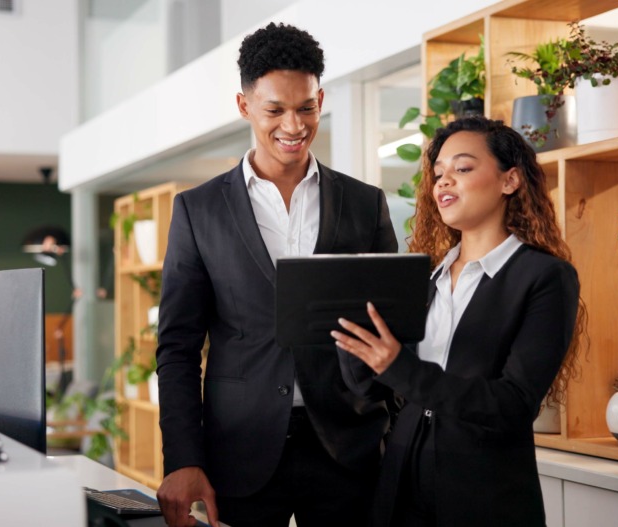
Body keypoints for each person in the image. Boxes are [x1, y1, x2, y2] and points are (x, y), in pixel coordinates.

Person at [155, 22, 398, 527]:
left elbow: (391, 327)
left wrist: (391, 432)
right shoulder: (198, 211)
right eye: (275, 110)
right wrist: (182, 458)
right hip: (238, 449)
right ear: (244, 106)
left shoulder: (363, 204)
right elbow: (177, 347)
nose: (294, 124)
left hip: (347, 447)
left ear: (320, 99)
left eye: (306, 107)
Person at [332, 116, 586, 526]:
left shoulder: (544, 278)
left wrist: (399, 366)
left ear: (510, 181)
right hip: (400, 488)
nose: (443, 182)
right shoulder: (424, 278)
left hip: (484, 494)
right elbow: (371, 386)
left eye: (462, 169)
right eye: (438, 174)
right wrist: (349, 331)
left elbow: (513, 405)